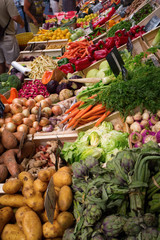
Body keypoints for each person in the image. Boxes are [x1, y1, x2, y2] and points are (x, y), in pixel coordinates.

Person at [0, 0, 24, 74]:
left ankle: (2, 84)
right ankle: (14, 84)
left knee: (0, 63)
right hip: (7, 36)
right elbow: (15, 17)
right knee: (13, 63)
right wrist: (22, 22)